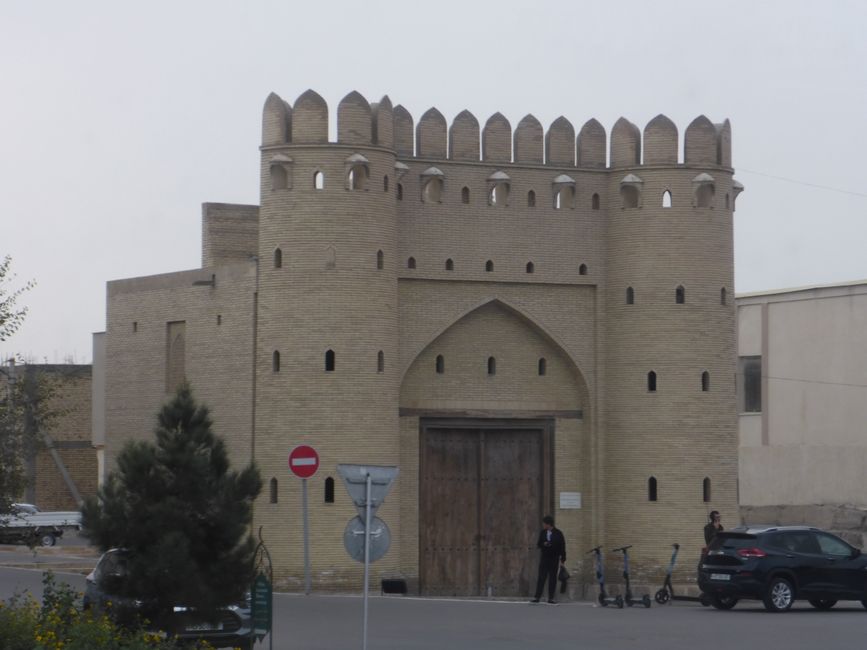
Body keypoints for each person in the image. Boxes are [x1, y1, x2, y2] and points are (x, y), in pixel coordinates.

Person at [530, 515, 566, 604]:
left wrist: (563, 560)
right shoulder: (543, 533)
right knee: (541, 577)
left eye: (544, 524)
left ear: (549, 524)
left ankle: (551, 598)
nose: (543, 525)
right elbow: (539, 544)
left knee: (552, 578)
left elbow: (562, 547)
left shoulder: (558, 533)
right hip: (545, 558)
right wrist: (544, 543)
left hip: (554, 558)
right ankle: (537, 597)